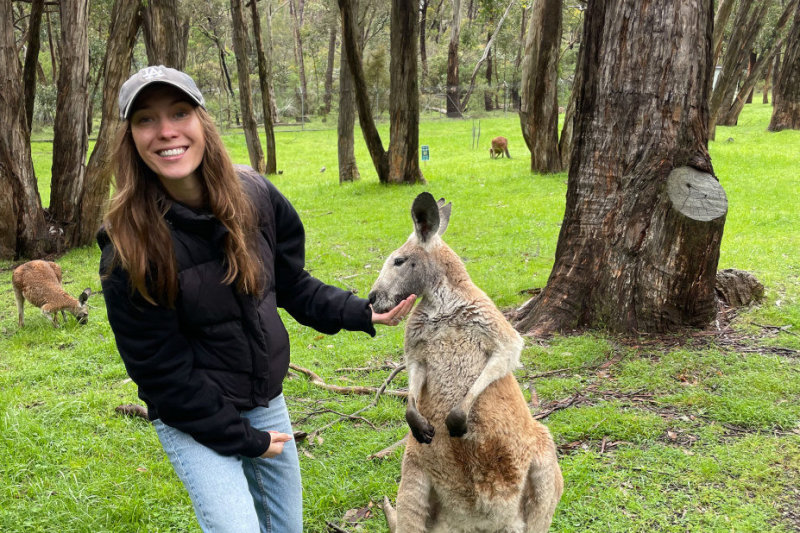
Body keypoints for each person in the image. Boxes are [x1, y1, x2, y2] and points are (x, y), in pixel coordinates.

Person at [98, 65, 415, 533]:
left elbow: (290, 284)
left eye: (179, 112)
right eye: (146, 119)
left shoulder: (255, 196)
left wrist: (360, 311)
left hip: (264, 397)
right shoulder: (128, 246)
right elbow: (162, 374)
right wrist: (246, 439)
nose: (166, 131)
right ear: (131, 137)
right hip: (193, 416)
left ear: (202, 121)